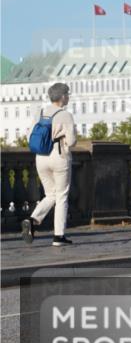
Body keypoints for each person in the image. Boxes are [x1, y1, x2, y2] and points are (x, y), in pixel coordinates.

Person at [22, 82, 77, 246]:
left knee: (50, 194)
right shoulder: (65, 115)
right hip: (59, 157)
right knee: (61, 196)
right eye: (67, 93)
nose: (68, 96)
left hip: (41, 157)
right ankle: (58, 236)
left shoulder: (40, 113)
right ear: (62, 97)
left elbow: (29, 135)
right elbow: (72, 141)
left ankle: (32, 220)